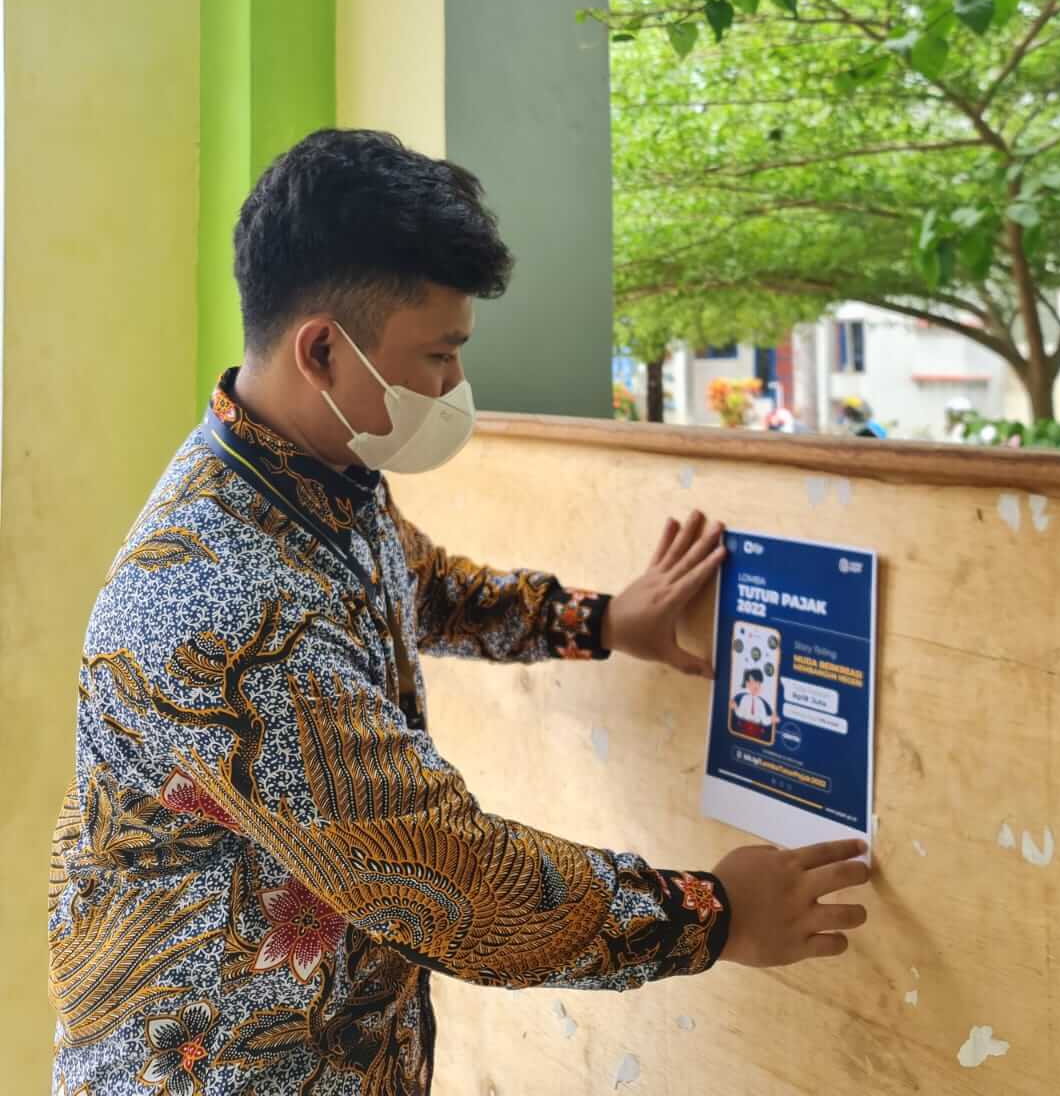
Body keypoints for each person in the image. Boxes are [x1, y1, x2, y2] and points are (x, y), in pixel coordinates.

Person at [48, 130, 870, 1096]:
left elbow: (422, 585)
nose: (451, 388)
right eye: (437, 356)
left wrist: (601, 621)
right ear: (322, 349)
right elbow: (450, 879)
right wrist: (714, 915)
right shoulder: (223, 599)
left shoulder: (315, 480)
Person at [730, 668, 775, 740]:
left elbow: (763, 719)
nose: (755, 685)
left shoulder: (760, 703)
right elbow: (740, 714)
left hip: (757, 733)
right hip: (743, 731)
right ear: (747, 684)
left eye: (758, 682)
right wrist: (735, 707)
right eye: (752, 682)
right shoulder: (745, 699)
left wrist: (770, 719)